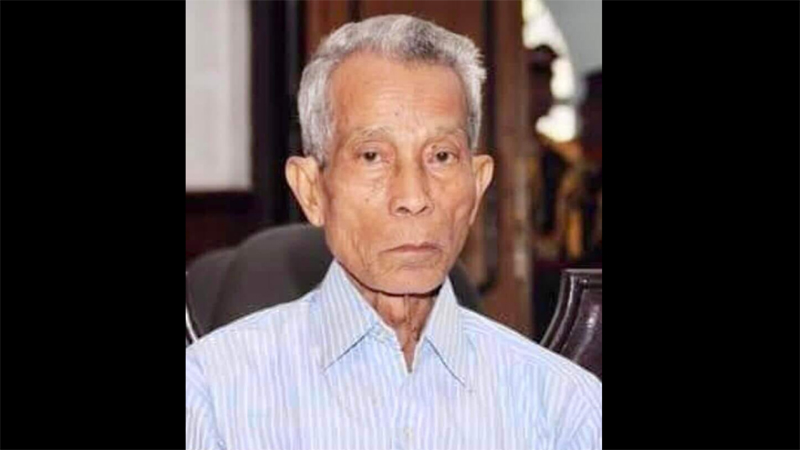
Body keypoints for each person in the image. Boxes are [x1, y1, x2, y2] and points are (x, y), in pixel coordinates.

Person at [186, 15, 601, 450]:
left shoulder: (564, 408)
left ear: (477, 185)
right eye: (372, 156)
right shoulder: (212, 394)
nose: (413, 196)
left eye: (441, 156)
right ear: (311, 190)